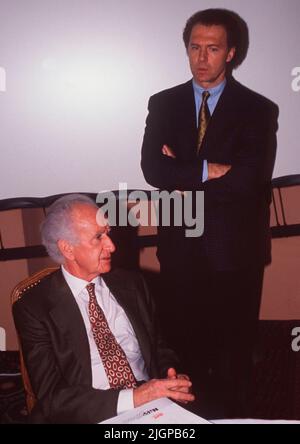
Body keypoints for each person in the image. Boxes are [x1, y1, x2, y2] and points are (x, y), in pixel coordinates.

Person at [141, 9, 279, 418]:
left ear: (231, 53)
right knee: (182, 351)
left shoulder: (258, 109)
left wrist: (182, 171)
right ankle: (189, 421)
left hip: (235, 251)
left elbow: (251, 180)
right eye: (195, 47)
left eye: (213, 49)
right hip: (180, 249)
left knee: (234, 353)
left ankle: (234, 418)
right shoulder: (163, 103)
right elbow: (153, 169)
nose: (202, 58)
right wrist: (210, 169)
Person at [12, 194, 194, 424]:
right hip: (87, 415)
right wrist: (134, 397)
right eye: (98, 237)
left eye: (108, 232)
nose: (112, 245)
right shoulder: (34, 307)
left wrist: (171, 373)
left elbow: (158, 346)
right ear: (68, 249)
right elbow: (52, 398)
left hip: (152, 406)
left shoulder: (132, 284)